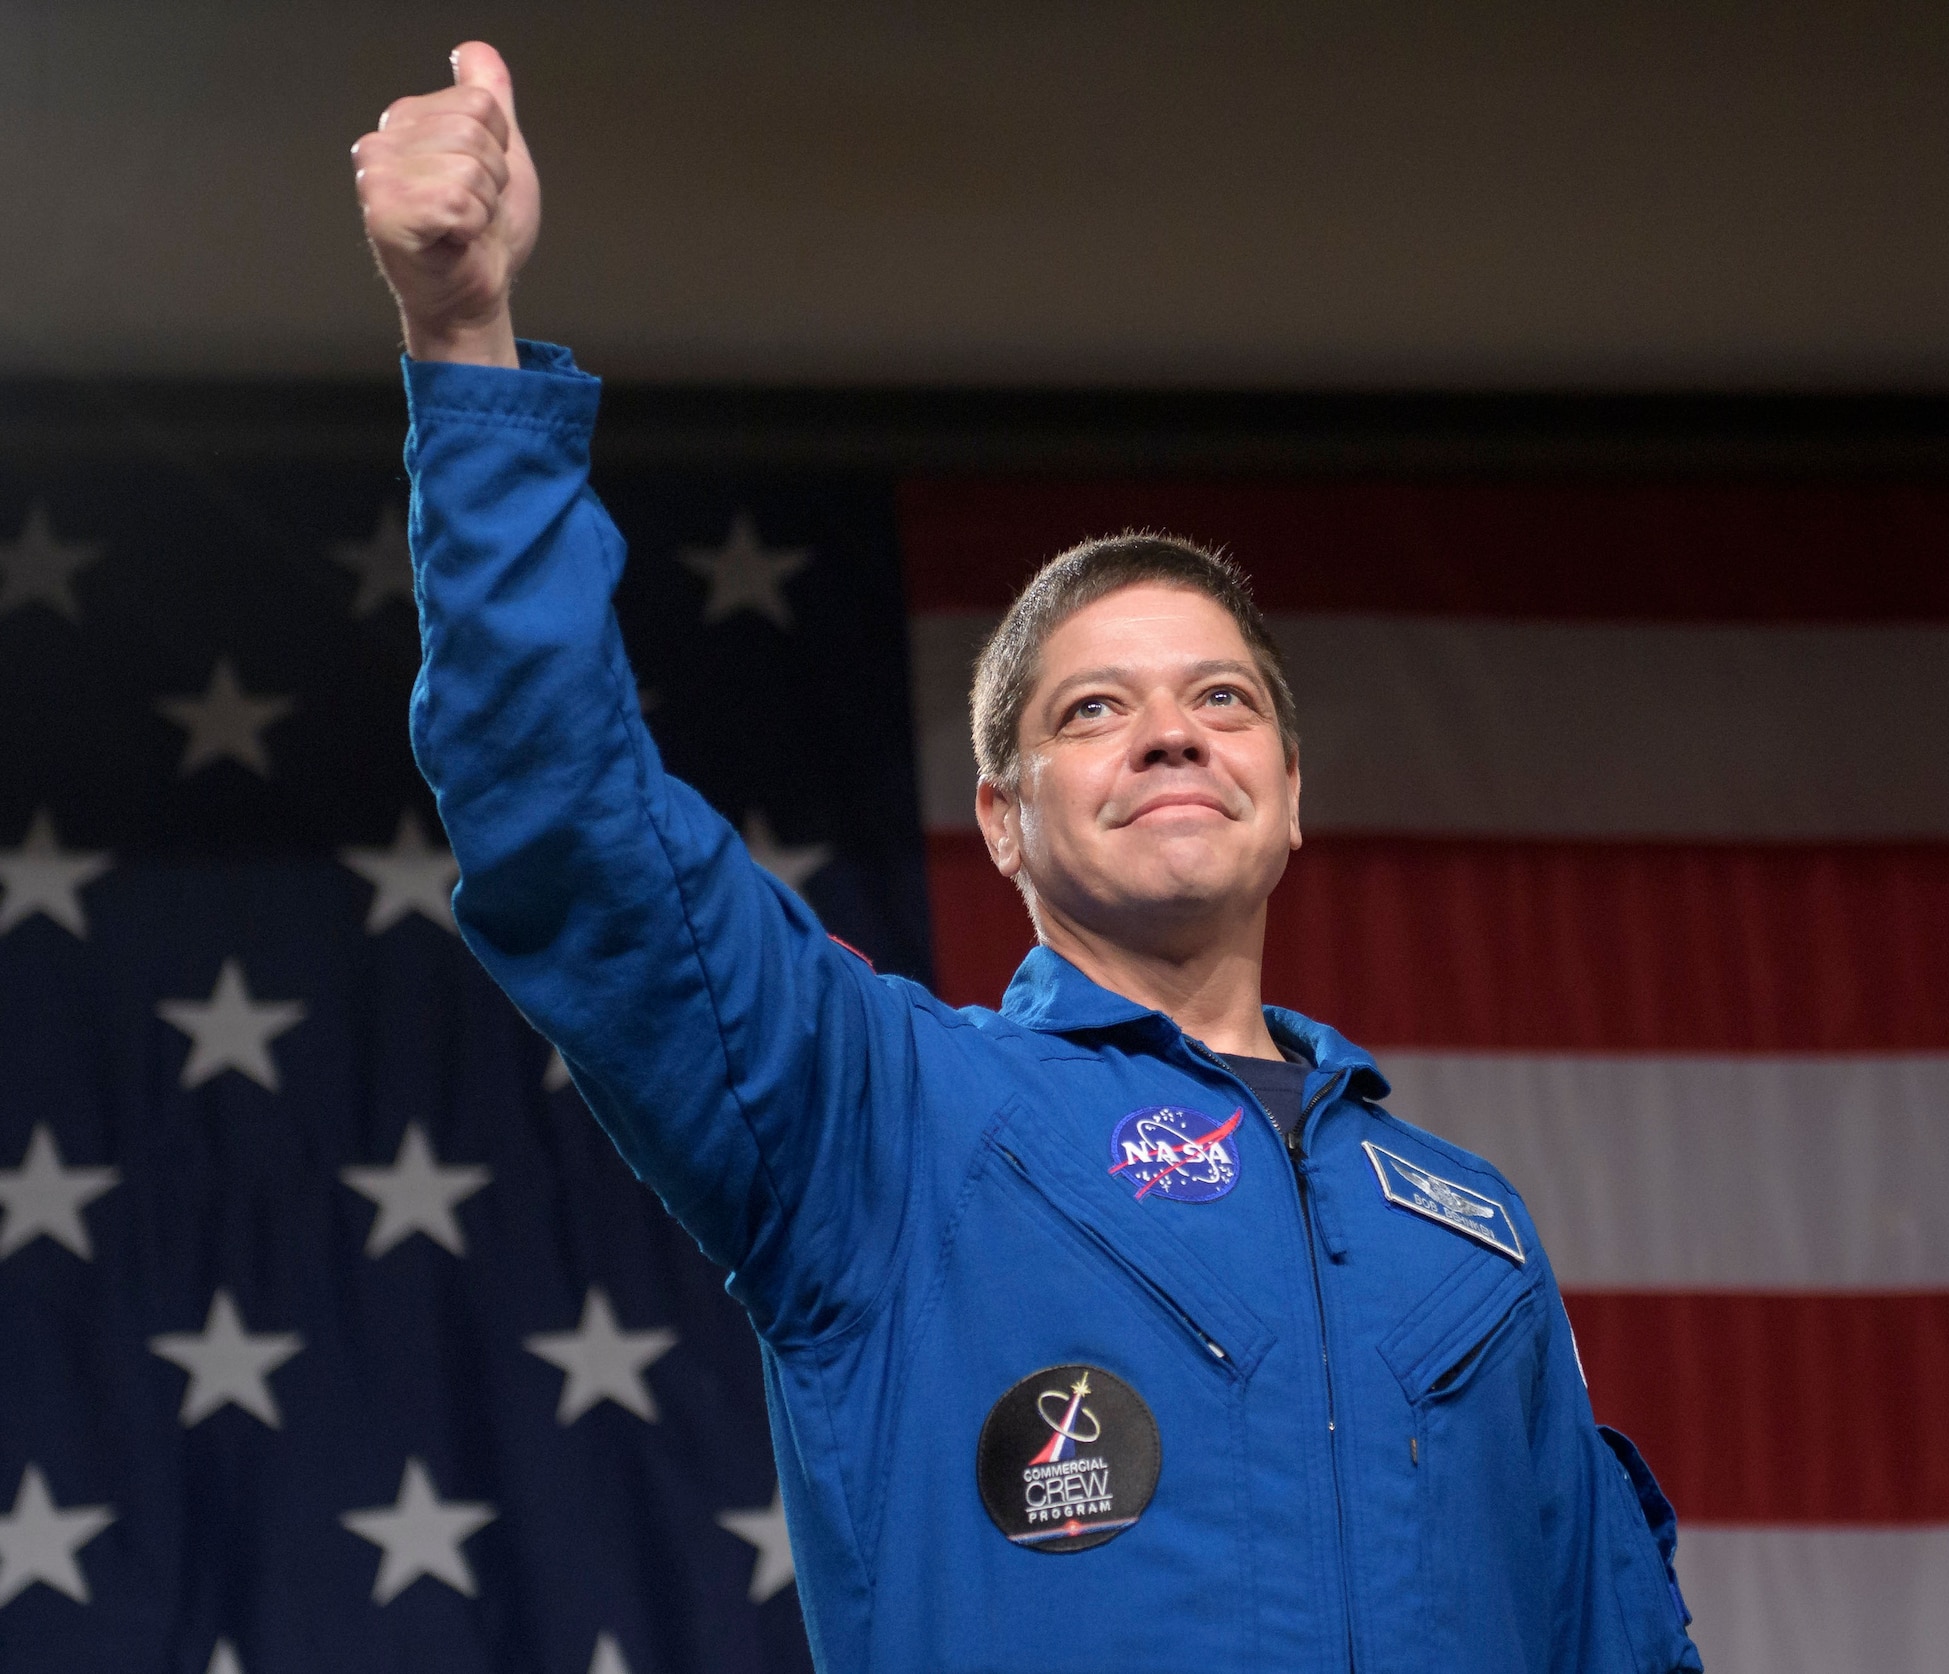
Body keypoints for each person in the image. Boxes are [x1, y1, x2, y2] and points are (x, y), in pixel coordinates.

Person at [352, 41, 1703, 1674]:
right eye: (1093, 707)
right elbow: (560, 807)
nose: (1170, 731)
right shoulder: (886, 1120)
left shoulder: (1469, 1236)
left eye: (1220, 697)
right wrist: (464, 337)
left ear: (1289, 795)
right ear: (1006, 817)